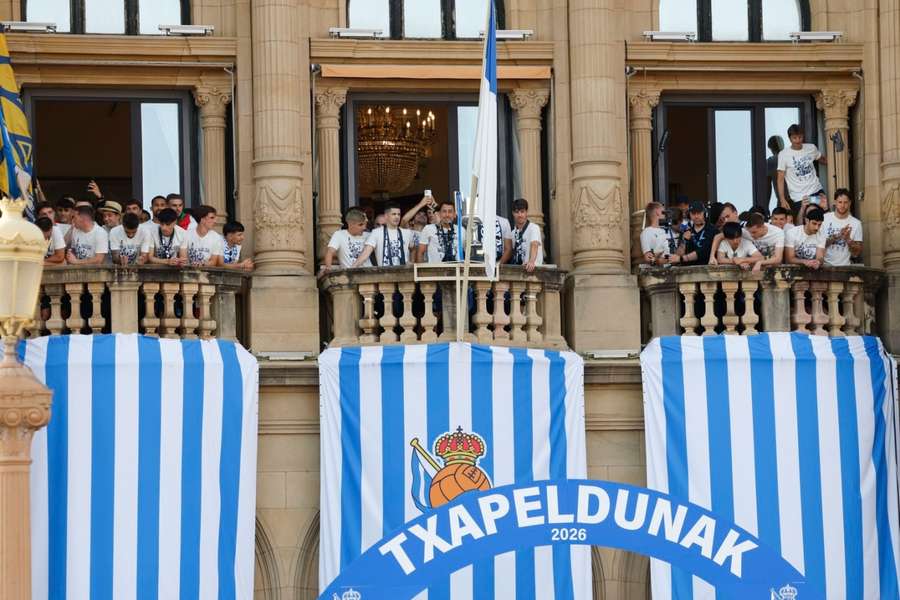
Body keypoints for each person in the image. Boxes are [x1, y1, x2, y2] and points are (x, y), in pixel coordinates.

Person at [776, 124, 827, 220]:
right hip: (799, 196)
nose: (798, 140)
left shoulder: (811, 148)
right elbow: (780, 179)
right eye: (795, 138)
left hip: (815, 190)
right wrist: (782, 199)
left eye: (800, 137)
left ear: (803, 136)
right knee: (804, 223)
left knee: (822, 220)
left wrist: (840, 157)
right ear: (790, 139)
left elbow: (822, 159)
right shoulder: (783, 155)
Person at [822, 188, 863, 266]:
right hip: (824, 266)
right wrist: (836, 236)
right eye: (840, 202)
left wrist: (848, 239)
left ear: (850, 203)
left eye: (845, 202)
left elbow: (856, 253)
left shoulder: (856, 223)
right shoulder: (824, 218)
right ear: (835, 202)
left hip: (845, 267)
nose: (842, 205)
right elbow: (817, 245)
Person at [321, 208, 369, 274]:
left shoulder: (369, 235)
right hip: (350, 276)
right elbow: (330, 252)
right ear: (350, 224)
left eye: (365, 224)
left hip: (368, 273)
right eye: (360, 225)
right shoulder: (339, 235)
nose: (364, 228)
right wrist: (328, 268)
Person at [418, 199, 464, 263]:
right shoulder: (428, 228)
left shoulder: (461, 230)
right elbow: (420, 253)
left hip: (457, 270)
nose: (447, 215)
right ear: (439, 214)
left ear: (454, 214)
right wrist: (422, 272)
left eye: (450, 211)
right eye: (444, 211)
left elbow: (467, 252)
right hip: (435, 271)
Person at [677, 201, 717, 266]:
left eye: (699, 213)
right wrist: (684, 241)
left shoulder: (713, 230)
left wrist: (681, 258)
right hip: (687, 271)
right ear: (689, 215)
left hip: (706, 271)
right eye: (693, 213)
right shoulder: (686, 230)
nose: (696, 216)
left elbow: (704, 252)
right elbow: (677, 256)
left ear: (704, 213)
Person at [511, 198, 543, 272]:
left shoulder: (534, 227)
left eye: (522, 212)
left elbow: (534, 244)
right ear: (513, 213)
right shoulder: (512, 233)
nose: (520, 215)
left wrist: (531, 262)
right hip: (518, 271)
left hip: (533, 270)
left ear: (526, 212)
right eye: (517, 212)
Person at [764, 135, 784, 212]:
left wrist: (766, 206)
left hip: (782, 202)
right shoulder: (791, 157)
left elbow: (767, 187)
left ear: (771, 148)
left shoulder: (770, 162)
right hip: (798, 199)